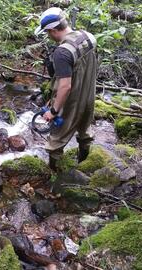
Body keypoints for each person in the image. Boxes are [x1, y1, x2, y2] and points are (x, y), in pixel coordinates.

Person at [34, 7, 97, 171]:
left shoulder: (62, 52)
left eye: (48, 33)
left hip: (71, 102)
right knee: (85, 131)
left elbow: (65, 86)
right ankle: (84, 165)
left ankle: (53, 175)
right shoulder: (88, 37)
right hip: (89, 97)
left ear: (54, 30)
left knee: (56, 139)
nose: (48, 36)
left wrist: (53, 111)